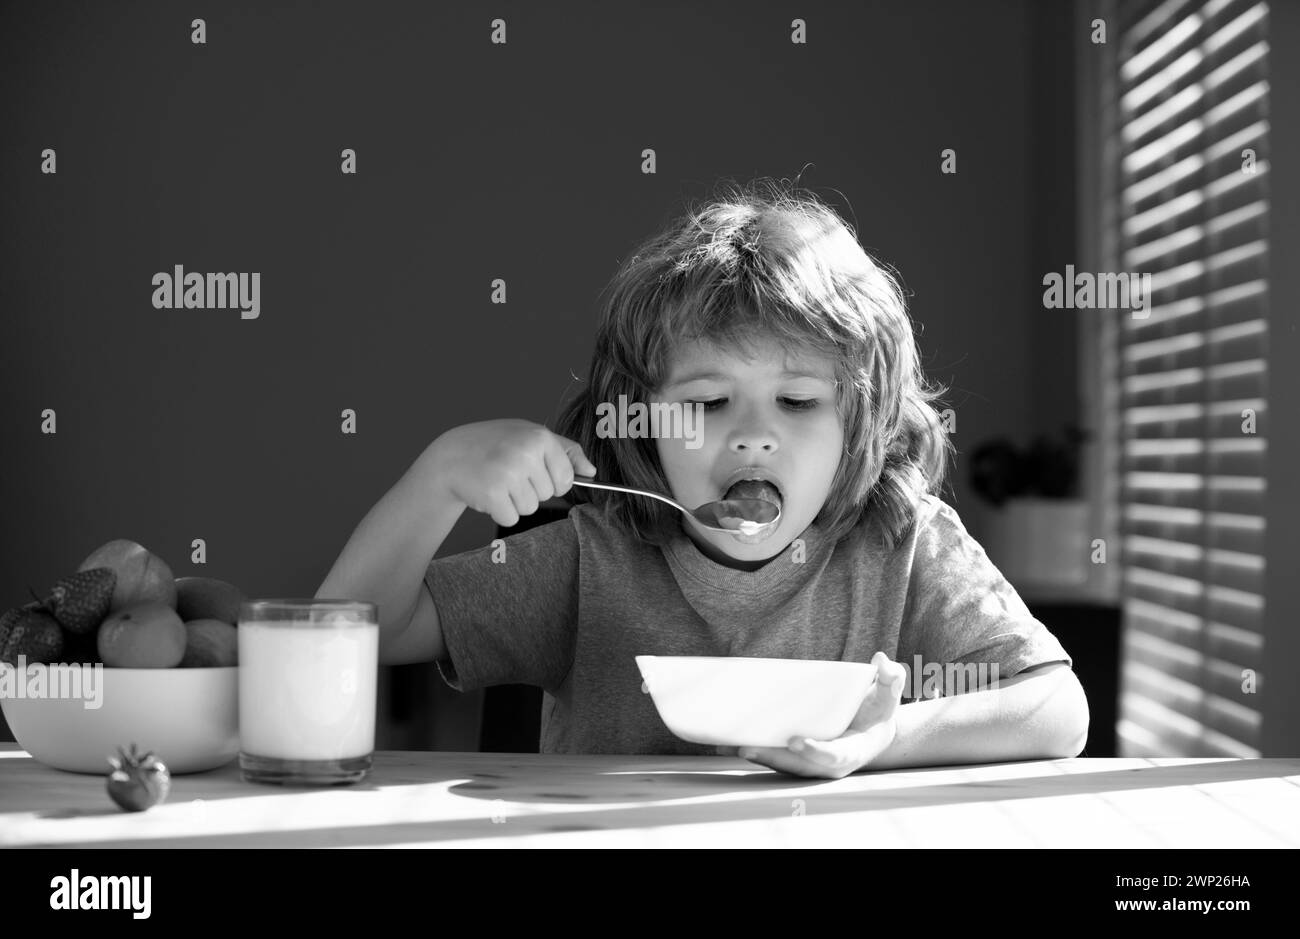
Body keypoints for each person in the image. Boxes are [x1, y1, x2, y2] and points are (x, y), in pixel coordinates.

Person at [316, 178, 1089, 778]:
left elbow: (1058, 708)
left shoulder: (902, 545)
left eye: (796, 400)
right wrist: (441, 473)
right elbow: (348, 634)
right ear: (641, 417)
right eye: (709, 401)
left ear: (858, 421)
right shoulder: (594, 558)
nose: (753, 433)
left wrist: (881, 737)